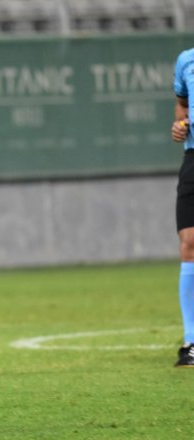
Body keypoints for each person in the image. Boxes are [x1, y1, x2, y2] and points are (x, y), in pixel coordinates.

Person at [173, 47, 194, 368]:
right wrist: (180, 125)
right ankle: (191, 342)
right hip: (193, 159)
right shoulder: (186, 59)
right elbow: (181, 106)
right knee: (190, 242)